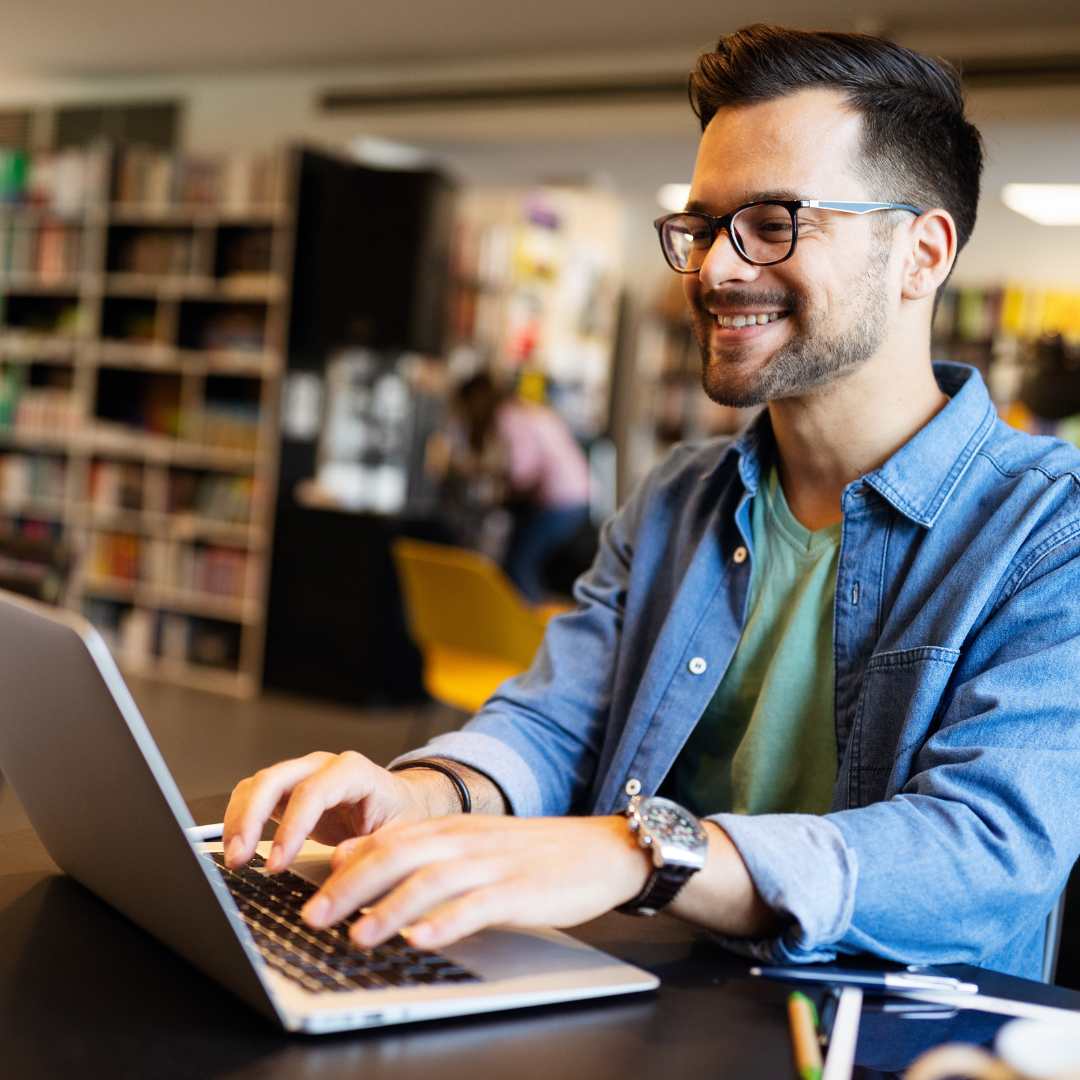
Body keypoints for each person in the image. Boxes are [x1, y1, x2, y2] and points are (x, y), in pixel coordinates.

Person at [224, 26, 1080, 982]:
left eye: (772, 222)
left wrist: (643, 852)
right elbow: (557, 726)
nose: (714, 270)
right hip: (650, 1002)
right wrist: (424, 796)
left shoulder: (1051, 535)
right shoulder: (679, 497)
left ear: (921, 253)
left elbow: (986, 853)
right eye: (704, 225)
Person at [454, 372, 591, 601]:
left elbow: (523, 474)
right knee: (523, 558)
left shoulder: (509, 417)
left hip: (562, 500)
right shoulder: (522, 409)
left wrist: (497, 499)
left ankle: (533, 632)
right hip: (576, 495)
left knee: (519, 564)